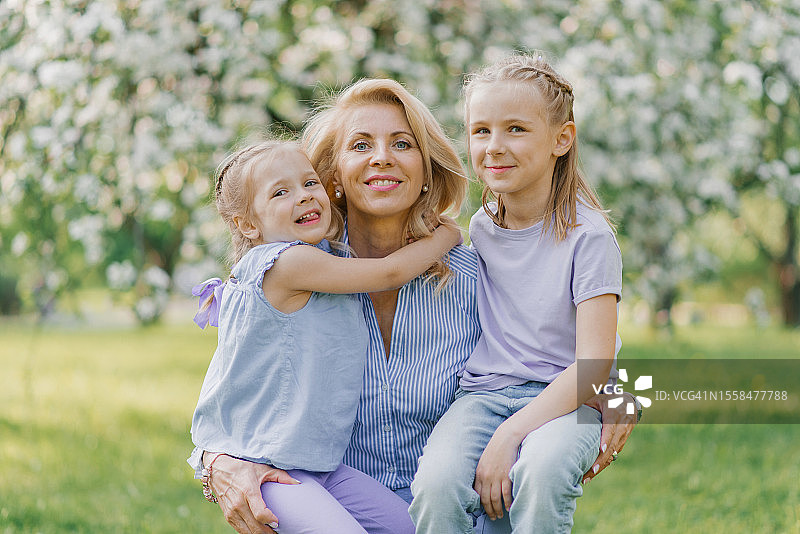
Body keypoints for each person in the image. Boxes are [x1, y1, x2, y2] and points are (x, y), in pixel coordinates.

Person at [197, 78, 639, 534]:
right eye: (361, 144)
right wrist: (216, 463)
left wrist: (619, 394)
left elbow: (558, 337)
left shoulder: (472, 272)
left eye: (402, 143)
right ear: (332, 177)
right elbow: (231, 392)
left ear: (427, 170)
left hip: (461, 512)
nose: (382, 157)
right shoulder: (294, 282)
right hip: (338, 508)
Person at [188, 139, 461, 533]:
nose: (303, 197)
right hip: (268, 465)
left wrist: (586, 410)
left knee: (410, 528)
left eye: (310, 183)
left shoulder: (322, 255)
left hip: (318, 464)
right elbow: (388, 273)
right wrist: (446, 235)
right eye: (281, 192)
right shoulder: (286, 263)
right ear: (248, 224)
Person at [408, 54, 624, 533]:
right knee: (437, 488)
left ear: (561, 139)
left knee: (542, 475)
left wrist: (512, 433)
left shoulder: (588, 238)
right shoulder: (482, 226)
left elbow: (596, 366)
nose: (494, 146)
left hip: (568, 401)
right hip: (484, 395)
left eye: (516, 129)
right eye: (480, 131)